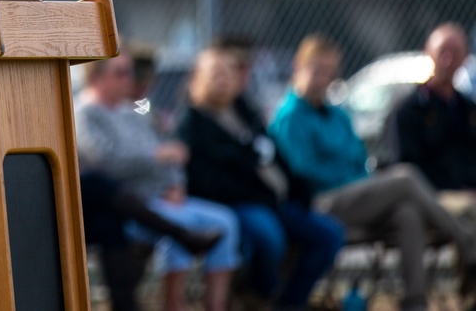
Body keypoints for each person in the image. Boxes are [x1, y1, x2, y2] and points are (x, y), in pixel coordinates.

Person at [270, 33, 476, 311]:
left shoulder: (337, 115)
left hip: (355, 197)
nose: (323, 79)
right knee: (404, 177)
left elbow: (358, 156)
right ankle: (466, 242)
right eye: (316, 70)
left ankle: (415, 301)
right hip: (319, 203)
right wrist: (351, 178)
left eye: (329, 72)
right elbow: (303, 170)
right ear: (299, 66)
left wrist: (357, 179)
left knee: (407, 212)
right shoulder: (290, 116)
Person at [178, 45, 344, 311]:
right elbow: (204, 179)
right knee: (268, 235)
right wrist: (255, 193)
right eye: (215, 74)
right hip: (235, 204)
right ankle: (260, 294)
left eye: (228, 73)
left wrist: (297, 190)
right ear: (197, 79)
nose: (222, 80)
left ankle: (290, 302)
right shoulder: (192, 123)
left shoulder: (245, 114)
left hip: (273, 201)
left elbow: (274, 157)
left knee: (329, 234)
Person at [76, 51, 240, 311]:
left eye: (129, 72)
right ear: (96, 77)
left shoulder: (132, 112)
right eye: (120, 72)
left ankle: (214, 305)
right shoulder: (84, 114)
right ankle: (174, 305)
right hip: (132, 203)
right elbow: (105, 162)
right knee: (178, 223)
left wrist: (175, 184)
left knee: (226, 221)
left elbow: (170, 153)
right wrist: (156, 156)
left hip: (165, 196)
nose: (129, 79)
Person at [393, 23, 476, 221]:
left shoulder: (469, 109)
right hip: (433, 195)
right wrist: (457, 190)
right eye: (443, 52)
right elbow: (407, 168)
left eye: (456, 52)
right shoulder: (409, 111)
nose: (448, 59)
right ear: (428, 53)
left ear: (466, 57)